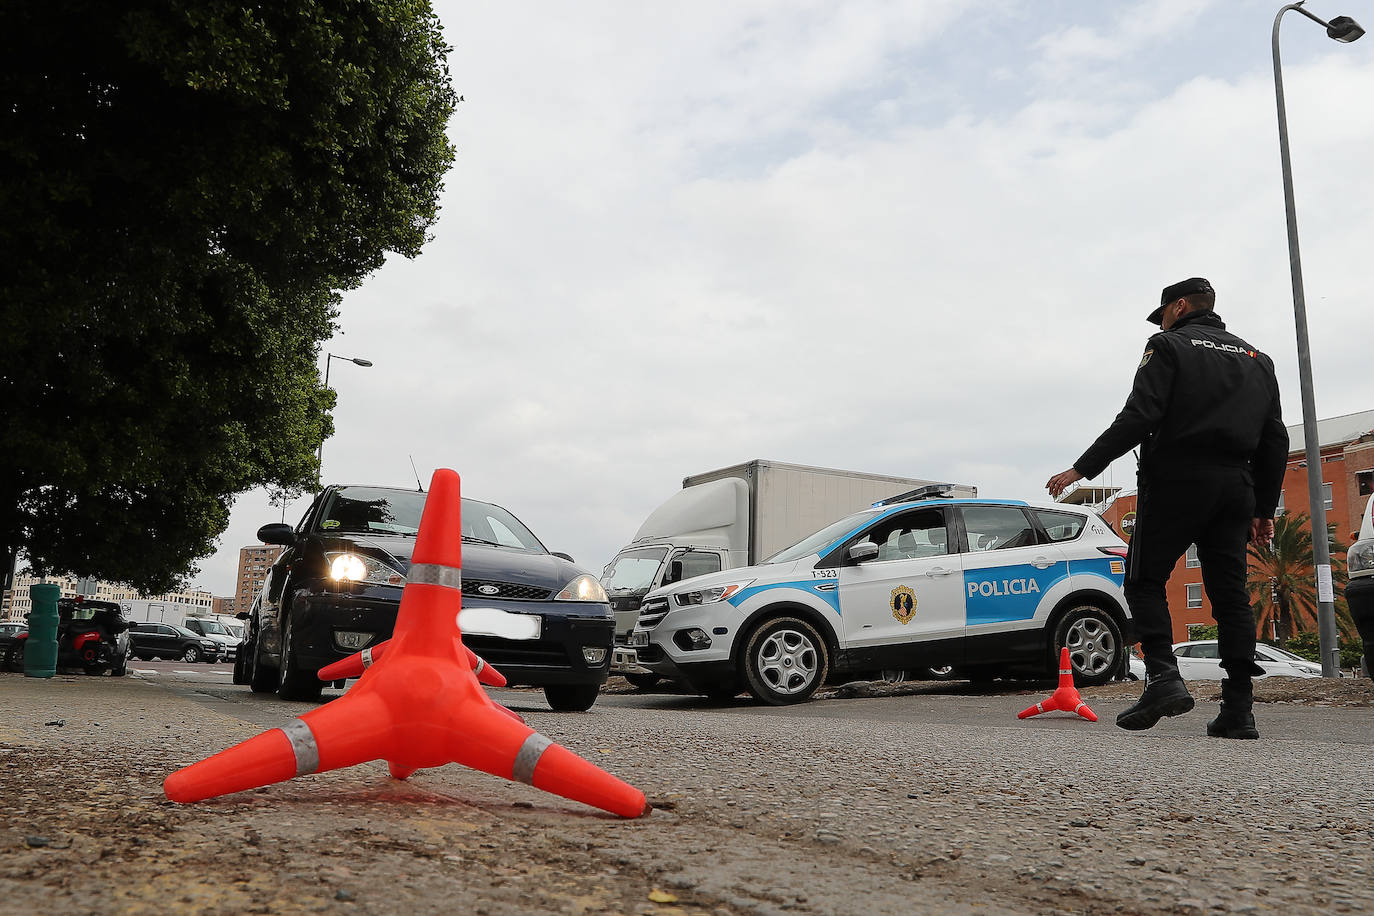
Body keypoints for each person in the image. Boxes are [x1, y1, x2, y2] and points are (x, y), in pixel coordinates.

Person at [1046, 277, 1288, 738]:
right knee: (1231, 595)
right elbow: (1275, 437)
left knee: (1144, 579)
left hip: (1178, 479)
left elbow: (1140, 415)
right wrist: (1263, 508)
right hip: (1236, 486)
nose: (1162, 321)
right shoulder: (1259, 360)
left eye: (1164, 313)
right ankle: (1239, 708)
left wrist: (1082, 469)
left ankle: (1163, 677)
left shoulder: (1168, 345)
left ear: (1179, 306)